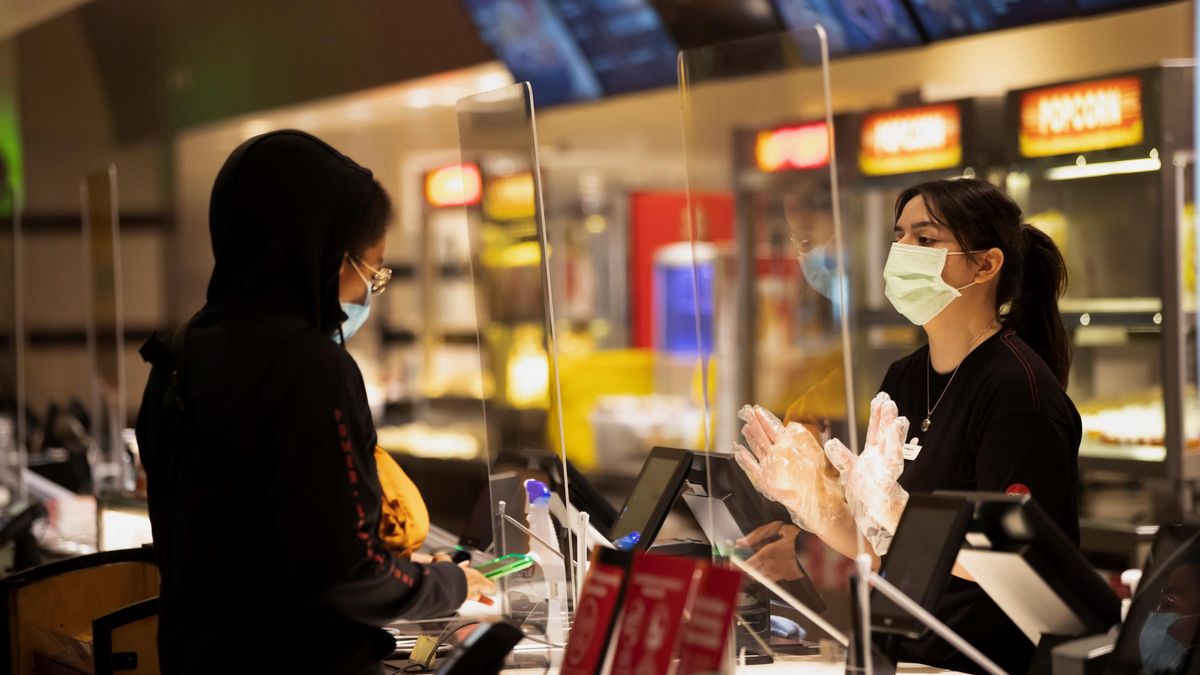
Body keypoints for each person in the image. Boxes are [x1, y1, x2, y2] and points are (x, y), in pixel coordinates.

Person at [136, 130, 493, 675]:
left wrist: (395, 571)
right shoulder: (309, 369)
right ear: (324, 256)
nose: (363, 295)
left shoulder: (180, 350)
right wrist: (445, 583)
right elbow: (346, 573)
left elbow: (254, 536)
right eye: (371, 273)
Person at [736, 178, 1080, 674]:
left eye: (924, 239)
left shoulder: (1017, 392)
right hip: (909, 658)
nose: (901, 252)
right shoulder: (905, 375)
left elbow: (1019, 568)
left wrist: (902, 516)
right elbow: (875, 549)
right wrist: (814, 503)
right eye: (898, 236)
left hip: (990, 663)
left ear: (986, 264)